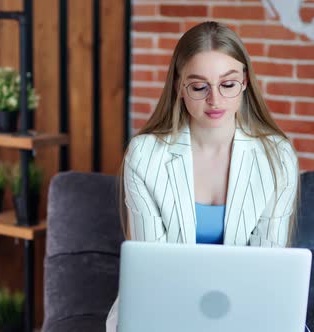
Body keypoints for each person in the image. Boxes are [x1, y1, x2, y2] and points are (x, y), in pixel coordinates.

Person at [106, 21, 299, 331]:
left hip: (245, 309)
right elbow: (151, 272)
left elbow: (268, 268)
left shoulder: (277, 156)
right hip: (163, 308)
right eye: (199, 87)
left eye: (228, 84)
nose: (215, 100)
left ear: (245, 83)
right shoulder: (143, 155)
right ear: (179, 87)